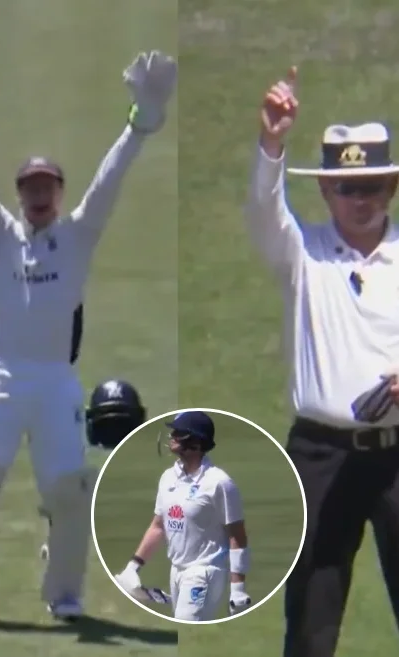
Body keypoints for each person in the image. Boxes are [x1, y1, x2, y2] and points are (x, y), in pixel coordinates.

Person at [0, 46, 177, 622]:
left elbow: (111, 181)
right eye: (30, 186)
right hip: (3, 378)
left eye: (49, 186)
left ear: (60, 193)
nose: (39, 194)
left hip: (57, 384)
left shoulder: (79, 236)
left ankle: (64, 594)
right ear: (20, 194)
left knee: (71, 491)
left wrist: (141, 122)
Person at [247, 67, 399, 657]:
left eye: (371, 187)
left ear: (390, 188)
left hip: (396, 457)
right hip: (319, 455)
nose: (359, 200)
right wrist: (272, 144)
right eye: (346, 188)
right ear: (325, 192)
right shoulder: (301, 253)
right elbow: (263, 210)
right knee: (311, 617)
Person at [113, 411, 251, 622]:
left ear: (195, 441)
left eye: (178, 433)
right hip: (176, 570)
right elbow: (158, 526)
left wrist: (238, 588)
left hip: (205, 571)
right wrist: (132, 567)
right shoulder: (168, 477)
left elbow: (237, 535)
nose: (171, 437)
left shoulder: (219, 483)